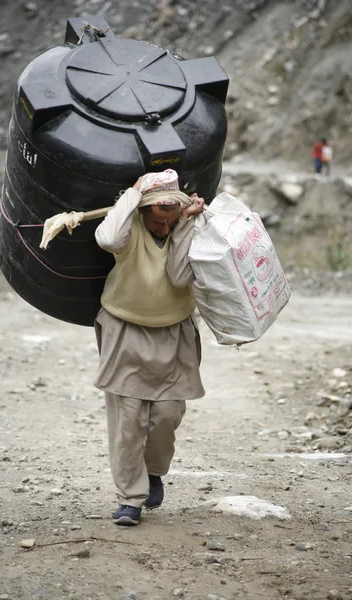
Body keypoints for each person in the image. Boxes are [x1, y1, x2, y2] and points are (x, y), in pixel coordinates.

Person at [93, 168, 206, 526]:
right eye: (158, 221)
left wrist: (185, 225)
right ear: (143, 211)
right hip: (125, 330)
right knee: (128, 422)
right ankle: (130, 499)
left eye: (170, 220)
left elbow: (177, 275)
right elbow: (108, 239)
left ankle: (154, 471)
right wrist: (133, 193)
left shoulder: (183, 226)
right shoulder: (128, 229)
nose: (164, 227)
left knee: (168, 414)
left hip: (173, 332)